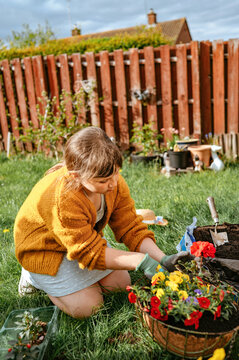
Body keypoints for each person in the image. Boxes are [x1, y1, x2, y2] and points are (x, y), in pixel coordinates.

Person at [14, 127, 192, 319]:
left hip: (79, 243)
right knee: (90, 307)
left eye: (116, 173)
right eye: (104, 180)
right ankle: (33, 277)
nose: (114, 183)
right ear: (76, 176)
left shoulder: (111, 180)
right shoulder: (63, 198)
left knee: (120, 284)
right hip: (45, 251)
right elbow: (88, 251)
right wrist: (139, 260)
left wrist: (162, 258)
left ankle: (71, 283)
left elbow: (130, 227)